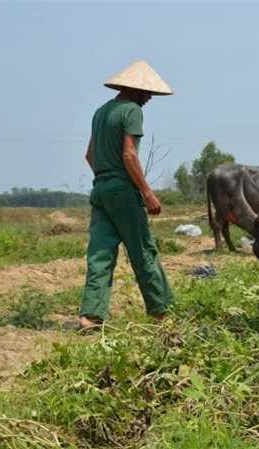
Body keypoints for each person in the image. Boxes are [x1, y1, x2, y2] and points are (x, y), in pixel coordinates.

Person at [78, 59, 175, 330]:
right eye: (148, 93)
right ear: (137, 89)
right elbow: (129, 154)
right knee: (143, 250)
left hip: (100, 189)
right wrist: (146, 193)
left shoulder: (100, 112)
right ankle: (161, 311)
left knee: (100, 254)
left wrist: (106, 178)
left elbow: (90, 155)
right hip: (122, 191)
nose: (149, 98)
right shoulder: (131, 110)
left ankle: (90, 316)